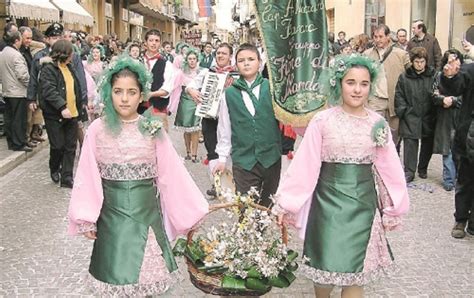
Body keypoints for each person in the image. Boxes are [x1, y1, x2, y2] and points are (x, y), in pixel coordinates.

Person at [67, 56, 208, 296]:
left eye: (131, 92)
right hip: (112, 222)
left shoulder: (151, 129)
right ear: (108, 92)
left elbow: (171, 174)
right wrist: (86, 217)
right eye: (118, 91)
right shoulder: (97, 130)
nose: (124, 98)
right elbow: (87, 176)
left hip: (147, 217)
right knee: (115, 279)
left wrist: (189, 213)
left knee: (148, 281)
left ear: (141, 94)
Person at [274, 54, 409, 298]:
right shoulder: (322, 121)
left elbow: (388, 169)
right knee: (324, 271)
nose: (357, 90)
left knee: (355, 275)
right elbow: (306, 164)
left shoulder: (378, 123)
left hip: (363, 209)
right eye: (351, 82)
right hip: (327, 208)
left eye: (364, 84)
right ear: (339, 83)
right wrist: (288, 202)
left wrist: (394, 206)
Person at [212, 43, 282, 208]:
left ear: (259, 62)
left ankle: (262, 232)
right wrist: (222, 158)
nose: (246, 63)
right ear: (236, 65)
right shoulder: (228, 94)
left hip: (270, 158)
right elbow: (225, 128)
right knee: (246, 207)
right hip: (244, 160)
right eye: (241, 60)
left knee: (266, 207)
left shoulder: (272, 89)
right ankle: (245, 233)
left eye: (251, 59)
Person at [186, 43, 237, 197]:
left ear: (230, 56)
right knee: (212, 149)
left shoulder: (237, 75)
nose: (220, 56)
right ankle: (217, 184)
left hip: (231, 118)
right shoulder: (208, 72)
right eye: (218, 53)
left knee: (230, 150)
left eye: (224, 53)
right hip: (210, 117)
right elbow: (190, 85)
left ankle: (232, 182)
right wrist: (193, 91)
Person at [38, 40, 86, 188]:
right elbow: (49, 91)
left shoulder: (70, 68)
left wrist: (81, 104)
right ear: (64, 53)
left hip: (72, 114)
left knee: (70, 147)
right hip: (55, 115)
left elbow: (76, 88)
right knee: (58, 146)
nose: (73, 56)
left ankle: (67, 177)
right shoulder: (48, 69)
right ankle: (54, 167)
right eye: (71, 52)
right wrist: (62, 107)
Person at [439, 48, 474, 239]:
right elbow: (455, 86)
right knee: (465, 180)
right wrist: (450, 76)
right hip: (469, 137)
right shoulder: (470, 70)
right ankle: (460, 219)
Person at [364, 24, 411, 148]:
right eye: (375, 36)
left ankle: (392, 160)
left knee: (394, 136)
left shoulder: (401, 54)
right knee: (373, 132)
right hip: (375, 99)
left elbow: (411, 76)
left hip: (395, 100)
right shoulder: (367, 54)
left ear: (388, 37)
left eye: (381, 36)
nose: (377, 39)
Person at [394, 47, 436, 183]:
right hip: (411, 114)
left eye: (422, 61)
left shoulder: (432, 75)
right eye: (417, 61)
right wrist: (404, 111)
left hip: (428, 114)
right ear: (412, 62)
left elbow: (437, 91)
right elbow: (399, 95)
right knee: (410, 143)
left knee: (427, 143)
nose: (419, 64)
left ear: (426, 62)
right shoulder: (404, 77)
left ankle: (423, 168)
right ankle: (409, 171)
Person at [432, 49, 463, 191]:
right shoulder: (438, 76)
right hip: (444, 116)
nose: (451, 64)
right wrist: (442, 99)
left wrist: (454, 100)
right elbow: (433, 94)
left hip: (461, 116)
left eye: (454, 61)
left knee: (459, 149)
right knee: (447, 150)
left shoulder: (464, 77)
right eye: (449, 61)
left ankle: (459, 178)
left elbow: (467, 97)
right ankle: (449, 180)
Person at [0, 27, 31, 152]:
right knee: (19, 118)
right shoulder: (16, 55)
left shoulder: (3, 53)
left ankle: (12, 142)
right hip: (17, 91)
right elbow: (22, 75)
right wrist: (30, 84)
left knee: (10, 118)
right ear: (17, 40)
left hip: (7, 90)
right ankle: (19, 143)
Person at [139, 29, 173, 132]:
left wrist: (150, 94)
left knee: (159, 139)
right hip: (137, 108)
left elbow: (167, 90)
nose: (153, 43)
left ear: (160, 44)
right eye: (151, 40)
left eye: (157, 41)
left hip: (158, 108)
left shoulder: (166, 64)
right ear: (145, 42)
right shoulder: (137, 61)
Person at [172, 48, 203, 162]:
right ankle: (188, 152)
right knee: (186, 128)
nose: (192, 61)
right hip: (185, 100)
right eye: (190, 59)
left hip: (197, 100)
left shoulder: (202, 71)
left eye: (194, 58)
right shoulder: (181, 72)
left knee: (196, 128)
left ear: (197, 59)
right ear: (186, 60)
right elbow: (174, 86)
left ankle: (195, 154)